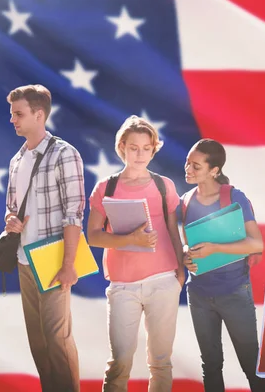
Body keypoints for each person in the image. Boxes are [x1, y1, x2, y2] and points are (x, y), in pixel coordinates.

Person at [87, 115, 185, 392]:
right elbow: (93, 235)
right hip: (122, 285)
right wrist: (130, 239)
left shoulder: (164, 186)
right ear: (122, 148)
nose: (140, 154)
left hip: (164, 280)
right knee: (120, 361)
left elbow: (172, 229)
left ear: (154, 149)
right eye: (133, 148)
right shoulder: (106, 187)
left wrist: (179, 272)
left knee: (161, 362)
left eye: (146, 148)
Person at [4, 84, 85, 391]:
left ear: (39, 115)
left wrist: (68, 265)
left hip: (52, 260)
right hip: (24, 260)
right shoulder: (16, 160)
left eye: (18, 113)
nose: (13, 119)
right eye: (12, 113)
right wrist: (10, 220)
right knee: (38, 340)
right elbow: (10, 208)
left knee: (57, 339)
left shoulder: (65, 154)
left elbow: (74, 212)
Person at [180, 139, 265, 392]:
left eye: (195, 165)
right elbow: (186, 244)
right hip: (198, 293)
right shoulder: (184, 201)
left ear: (214, 171)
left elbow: (256, 243)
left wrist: (216, 248)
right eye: (188, 162)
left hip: (234, 291)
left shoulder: (234, 196)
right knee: (210, 365)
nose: (188, 168)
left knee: (252, 363)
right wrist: (186, 255)